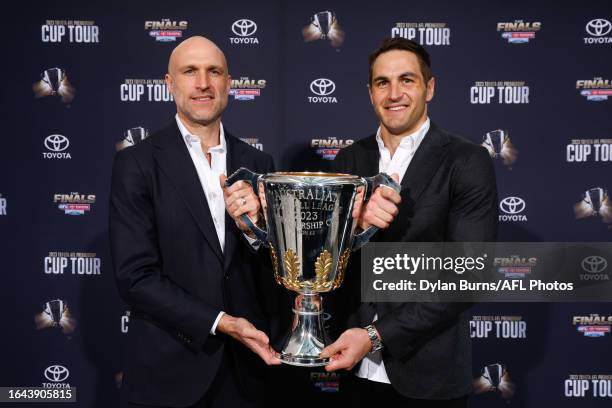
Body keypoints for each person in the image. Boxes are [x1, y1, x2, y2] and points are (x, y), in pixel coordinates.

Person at [322, 37, 498, 407]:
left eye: (407, 80)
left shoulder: (466, 161)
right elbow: (325, 262)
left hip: (428, 376)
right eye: (382, 82)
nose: (394, 93)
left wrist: (374, 335)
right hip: (353, 369)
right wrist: (352, 228)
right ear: (370, 93)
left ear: (429, 88)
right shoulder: (348, 161)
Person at [109, 36, 281, 408]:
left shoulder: (260, 164)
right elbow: (135, 277)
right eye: (190, 72)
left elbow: (274, 275)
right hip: (168, 374)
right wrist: (220, 321)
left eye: (214, 72)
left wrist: (259, 228)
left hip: (247, 375)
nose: (203, 83)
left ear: (229, 83)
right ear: (170, 84)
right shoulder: (136, 163)